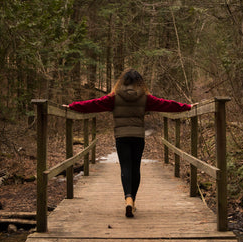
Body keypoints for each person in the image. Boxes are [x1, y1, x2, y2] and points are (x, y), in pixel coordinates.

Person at [63, 68, 195, 218]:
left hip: (122, 137)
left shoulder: (114, 97)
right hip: (138, 137)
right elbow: (166, 104)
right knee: (135, 168)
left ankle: (128, 198)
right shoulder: (145, 98)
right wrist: (187, 106)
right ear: (140, 82)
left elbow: (93, 104)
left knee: (125, 167)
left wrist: (73, 106)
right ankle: (133, 201)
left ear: (122, 82)